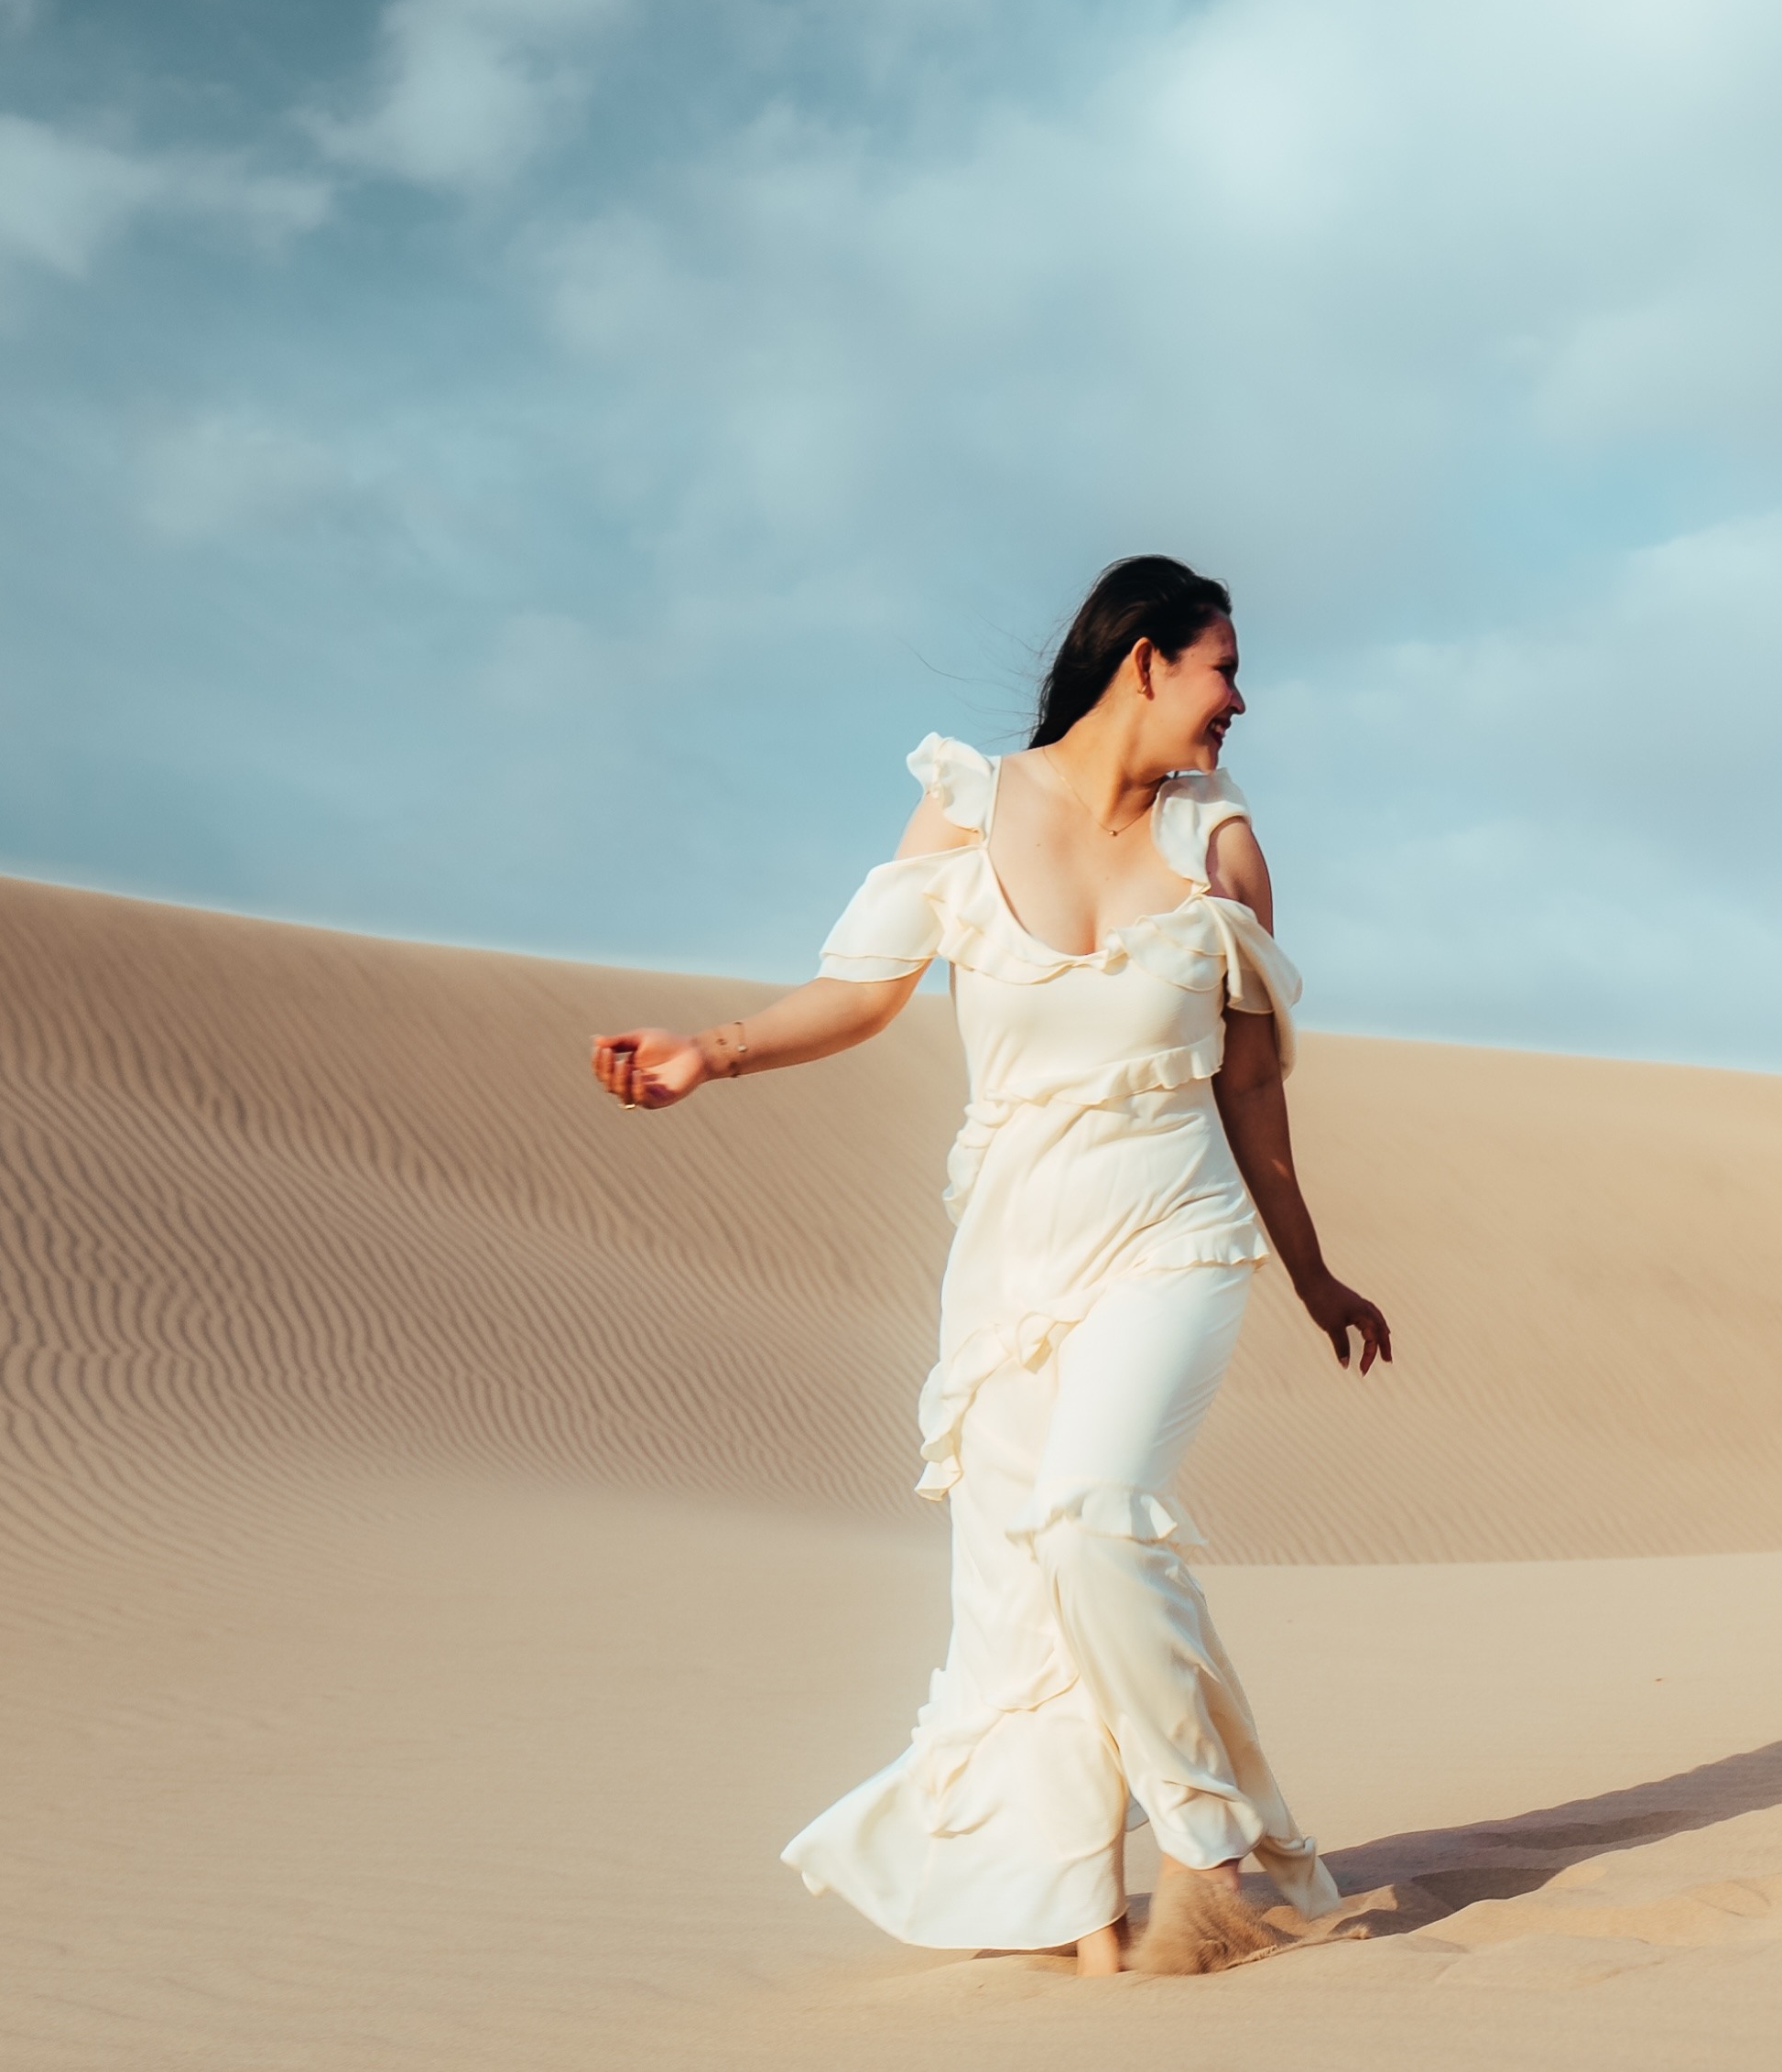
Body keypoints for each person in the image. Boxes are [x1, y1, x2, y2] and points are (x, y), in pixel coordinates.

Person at [590, 556, 1392, 1974]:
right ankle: (1078, 1912)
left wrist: (1312, 1270)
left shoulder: (1220, 847)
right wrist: (709, 1053)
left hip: (1174, 1233)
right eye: (1222, 668)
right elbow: (862, 993)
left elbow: (1253, 1086)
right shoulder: (968, 806)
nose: (1238, 701)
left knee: (1093, 1521)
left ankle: (1211, 1857)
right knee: (1022, 1593)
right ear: (1144, 662)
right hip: (1013, 1262)